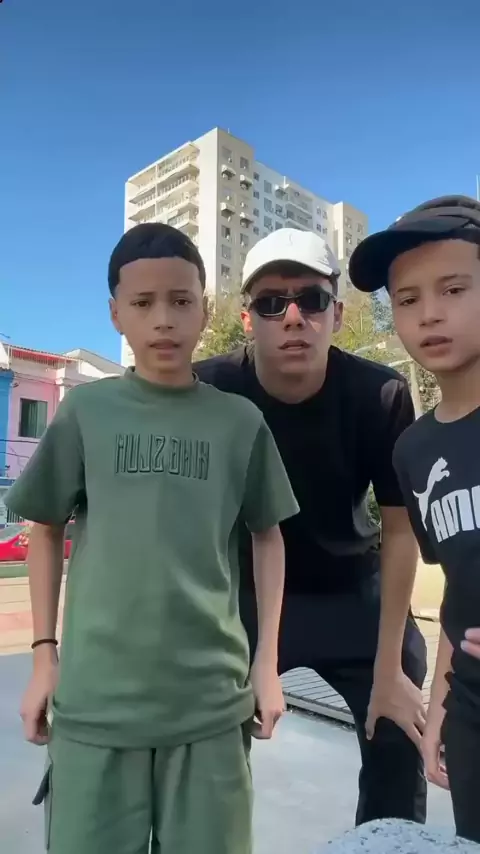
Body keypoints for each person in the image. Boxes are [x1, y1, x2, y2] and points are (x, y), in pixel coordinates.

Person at [5, 223, 300, 854]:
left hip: (211, 709)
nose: (163, 319)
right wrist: (44, 657)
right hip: (95, 708)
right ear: (116, 313)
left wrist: (266, 663)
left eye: (181, 300)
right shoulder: (86, 413)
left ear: (205, 308)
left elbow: (268, 536)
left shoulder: (239, 421)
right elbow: (45, 527)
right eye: (142, 303)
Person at [195, 227, 428, 826]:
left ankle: (387, 838)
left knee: (399, 718)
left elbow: (401, 531)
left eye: (312, 299)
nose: (293, 316)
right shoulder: (208, 390)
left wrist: (389, 668)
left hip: (352, 593)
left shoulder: (380, 394)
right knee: (196, 735)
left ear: (337, 314)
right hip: (242, 595)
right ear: (248, 320)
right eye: (272, 303)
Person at [349, 194, 480, 843]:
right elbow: (460, 588)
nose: (429, 313)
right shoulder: (414, 450)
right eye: (407, 299)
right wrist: (442, 706)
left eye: (454, 289)